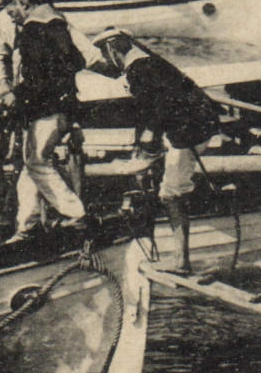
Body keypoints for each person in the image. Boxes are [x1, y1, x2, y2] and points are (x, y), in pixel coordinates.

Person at [90, 29, 222, 274]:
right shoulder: (152, 64)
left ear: (113, 50)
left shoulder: (138, 70)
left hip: (188, 136)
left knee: (171, 195)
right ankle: (180, 257)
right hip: (199, 128)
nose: (109, 62)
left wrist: (148, 147)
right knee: (172, 188)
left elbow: (156, 110)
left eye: (107, 56)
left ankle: (181, 262)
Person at [0, 0, 89, 243]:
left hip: (45, 111)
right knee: (30, 166)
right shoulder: (57, 25)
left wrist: (15, 97)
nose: (12, 17)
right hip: (61, 107)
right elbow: (77, 61)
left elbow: (37, 78)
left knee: (37, 161)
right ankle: (28, 224)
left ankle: (76, 214)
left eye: (12, 11)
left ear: (23, 3)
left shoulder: (32, 31)